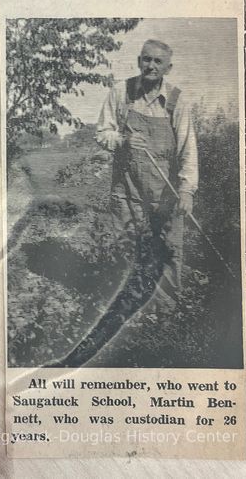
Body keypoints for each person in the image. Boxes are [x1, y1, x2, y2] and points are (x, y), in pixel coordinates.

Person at [96, 38, 198, 304]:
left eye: (158, 61)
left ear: (168, 67)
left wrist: (186, 191)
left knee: (168, 250)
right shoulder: (121, 92)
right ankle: (127, 311)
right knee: (128, 248)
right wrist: (122, 140)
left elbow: (188, 150)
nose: (151, 66)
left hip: (165, 193)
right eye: (146, 59)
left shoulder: (177, 101)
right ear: (138, 61)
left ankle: (163, 316)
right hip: (126, 190)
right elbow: (102, 132)